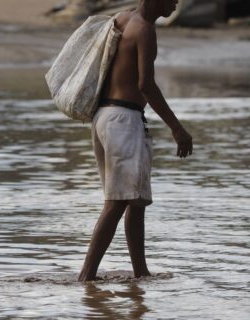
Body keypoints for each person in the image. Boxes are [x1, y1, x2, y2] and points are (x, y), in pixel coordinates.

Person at [78, 0, 193, 282]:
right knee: (116, 202)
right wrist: (177, 128)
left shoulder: (122, 18)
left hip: (105, 116)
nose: (177, 1)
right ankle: (86, 276)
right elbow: (146, 85)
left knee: (135, 200)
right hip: (123, 121)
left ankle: (140, 274)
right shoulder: (145, 30)